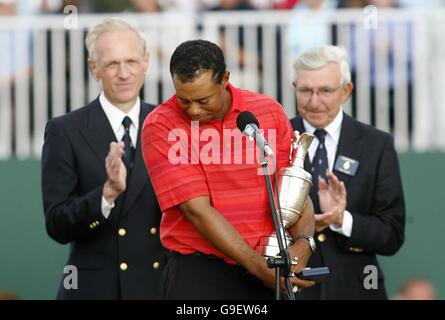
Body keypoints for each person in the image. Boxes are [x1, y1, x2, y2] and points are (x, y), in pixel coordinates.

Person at [141, 39, 316, 299]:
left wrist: (304, 243)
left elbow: (293, 189)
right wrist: (258, 267)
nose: (194, 110)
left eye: (203, 99)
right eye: (184, 100)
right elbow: (197, 211)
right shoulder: (161, 124)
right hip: (202, 275)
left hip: (270, 268)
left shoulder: (268, 111)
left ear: (225, 79)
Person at [41, 17, 167, 299]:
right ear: (93, 68)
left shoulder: (169, 125)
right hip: (95, 291)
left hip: (157, 287)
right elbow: (57, 225)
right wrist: (107, 194)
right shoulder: (65, 130)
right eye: (112, 64)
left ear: (146, 62)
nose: (124, 73)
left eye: (131, 61)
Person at [290, 45, 405, 299]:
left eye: (326, 91)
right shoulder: (276, 140)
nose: (314, 101)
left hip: (357, 290)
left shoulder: (376, 144)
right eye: (305, 90)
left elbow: (392, 234)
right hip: (293, 290)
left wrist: (342, 220)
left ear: (346, 91)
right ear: (294, 87)